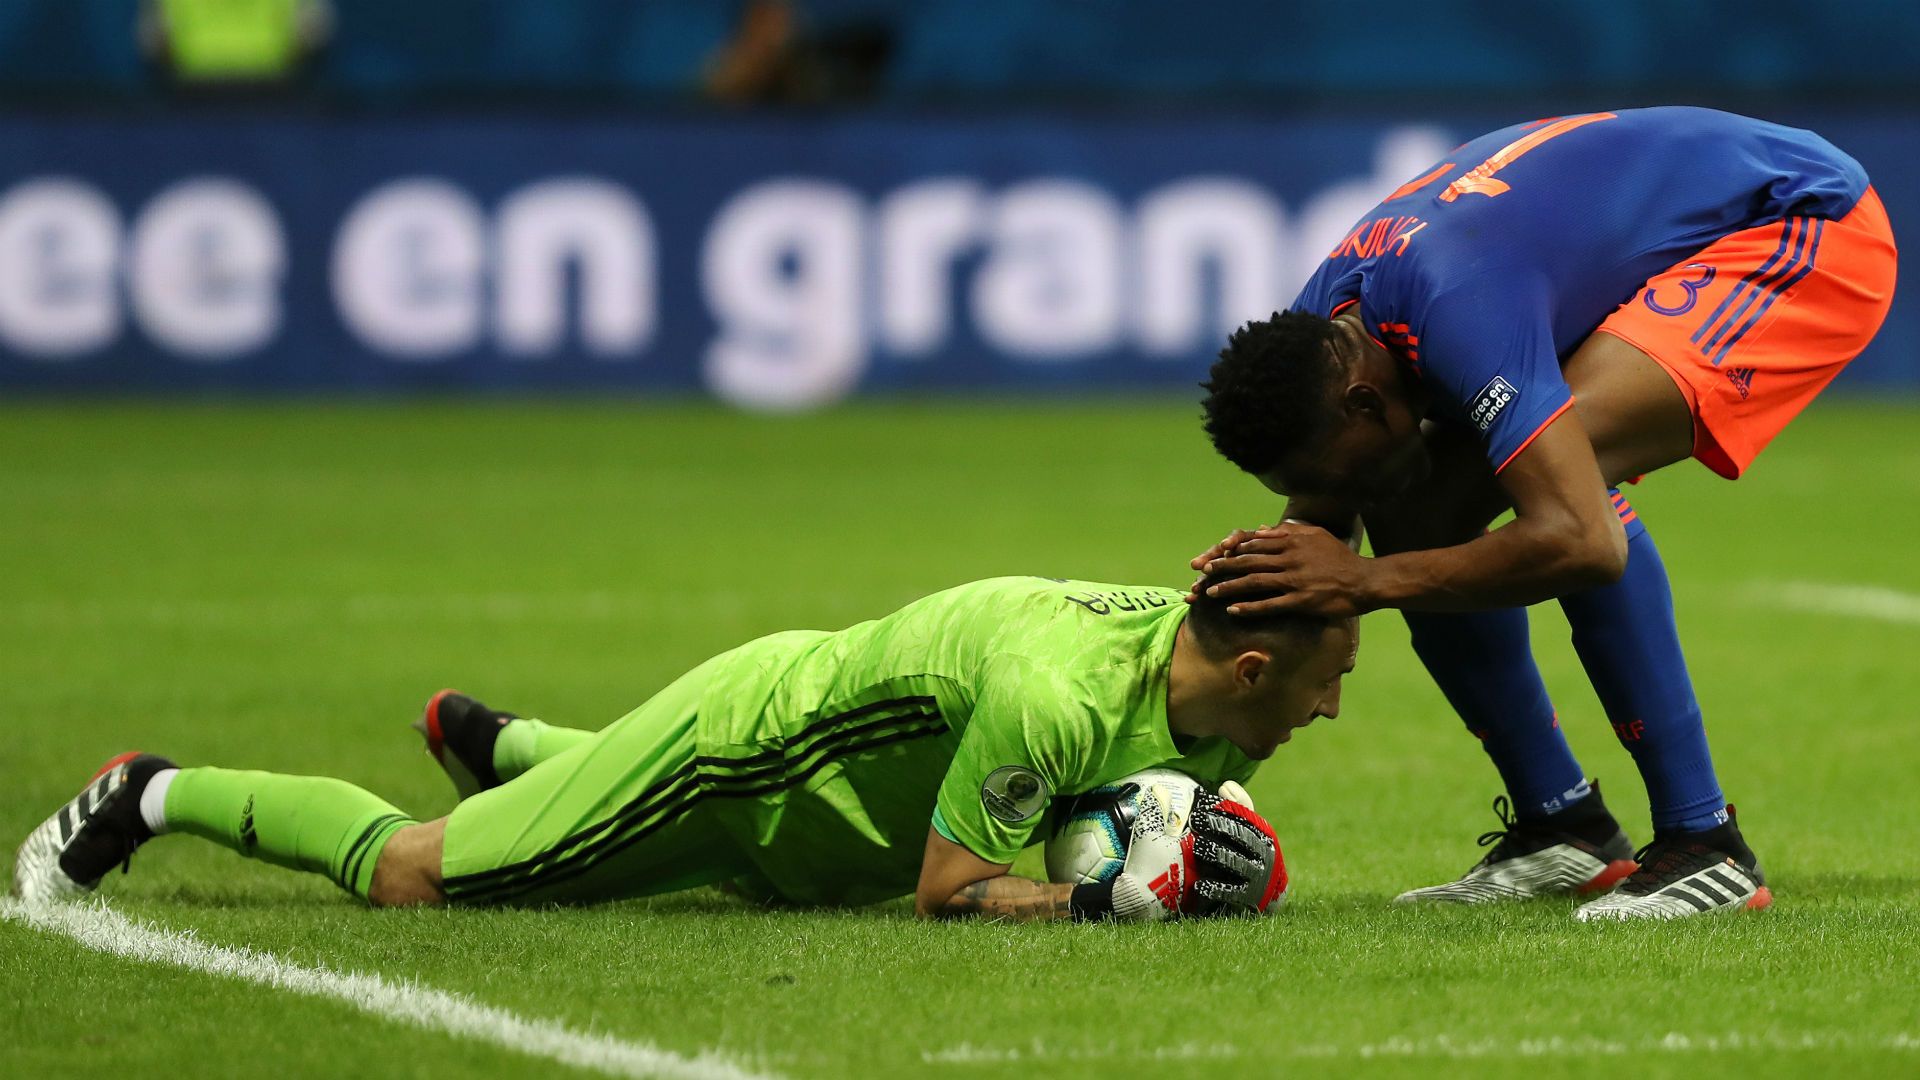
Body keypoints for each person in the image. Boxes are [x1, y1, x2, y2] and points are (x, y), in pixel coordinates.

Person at [1192, 107, 1896, 920]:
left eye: (1342, 468)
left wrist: (1368, 580)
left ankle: (1706, 845)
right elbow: (1323, 520)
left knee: (1565, 484)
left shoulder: (1457, 304)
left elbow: (1582, 544)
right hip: (1665, 226)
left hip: (1798, 223)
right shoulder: (1323, 335)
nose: (1350, 490)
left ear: (1362, 403)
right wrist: (1249, 610)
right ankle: (1564, 825)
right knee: (1421, 501)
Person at [15, 575, 1353, 921]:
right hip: (744, 764)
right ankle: (157, 789)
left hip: (830, 804)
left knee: (589, 791)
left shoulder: (1212, 698)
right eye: (1329, 678)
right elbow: (952, 895)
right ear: (1250, 668)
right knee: (415, 876)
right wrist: (1103, 909)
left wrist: (1236, 871)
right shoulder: (1056, 698)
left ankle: (516, 748)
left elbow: (1169, 829)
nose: (1335, 706)